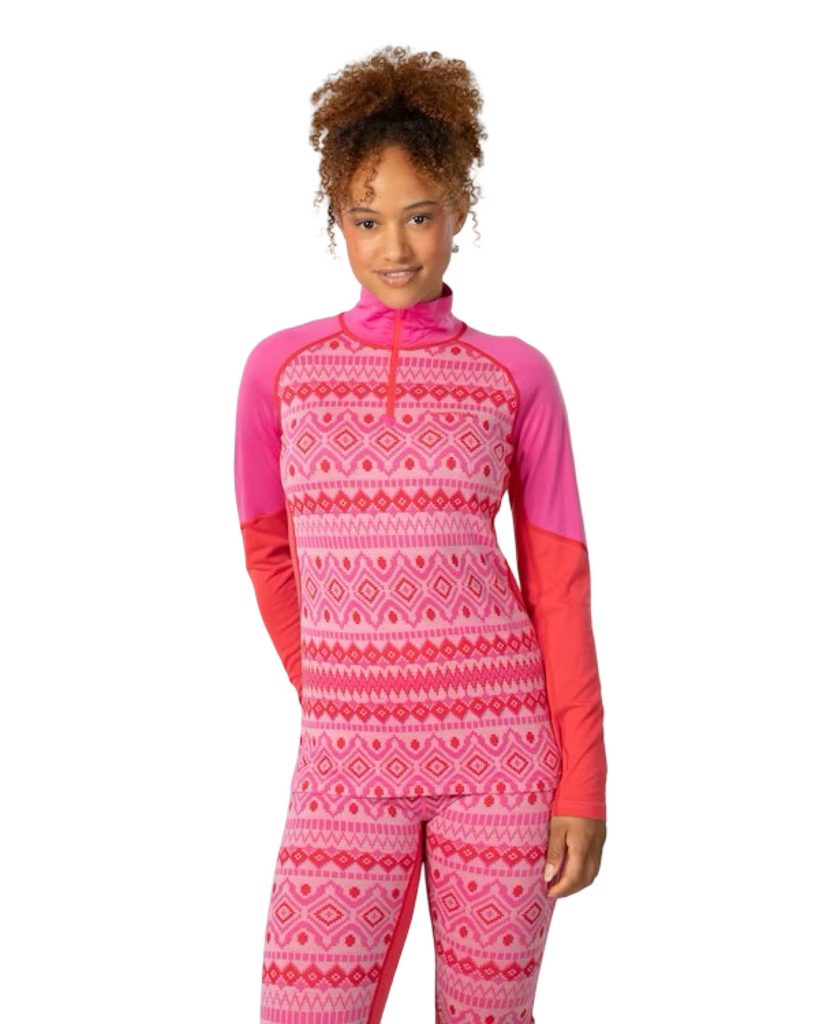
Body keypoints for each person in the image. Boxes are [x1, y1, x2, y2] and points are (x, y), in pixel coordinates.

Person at [234, 44, 607, 1024]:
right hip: (345, 761)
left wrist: (584, 782)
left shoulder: (514, 376)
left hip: (502, 753)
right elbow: (268, 551)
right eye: (366, 219)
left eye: (419, 215)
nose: (394, 246)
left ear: (459, 211)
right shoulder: (280, 372)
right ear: (336, 220)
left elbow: (559, 585)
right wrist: (330, 681)